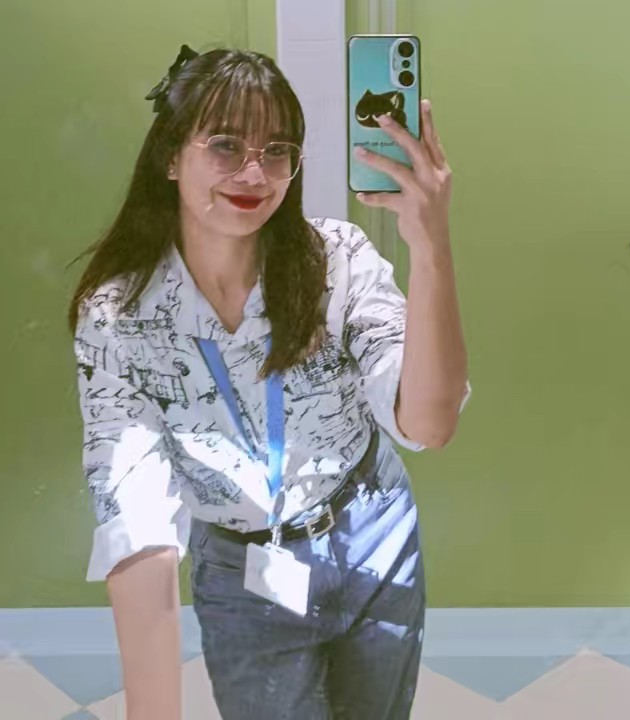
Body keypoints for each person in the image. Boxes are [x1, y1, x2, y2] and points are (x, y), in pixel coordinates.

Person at [69, 44, 469, 720]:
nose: (254, 173)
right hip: (242, 563)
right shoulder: (120, 316)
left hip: (371, 527)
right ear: (171, 156)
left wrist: (430, 244)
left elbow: (429, 423)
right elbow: (134, 518)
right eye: (226, 145)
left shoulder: (336, 261)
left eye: (277, 150)